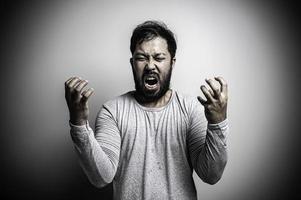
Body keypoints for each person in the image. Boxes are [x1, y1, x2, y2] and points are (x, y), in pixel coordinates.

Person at [64, 20, 229, 200]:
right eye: (142, 58)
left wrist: (217, 123)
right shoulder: (113, 111)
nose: (150, 65)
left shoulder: (190, 109)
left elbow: (211, 175)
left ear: (172, 63)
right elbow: (101, 177)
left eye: (159, 58)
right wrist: (79, 123)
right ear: (132, 63)